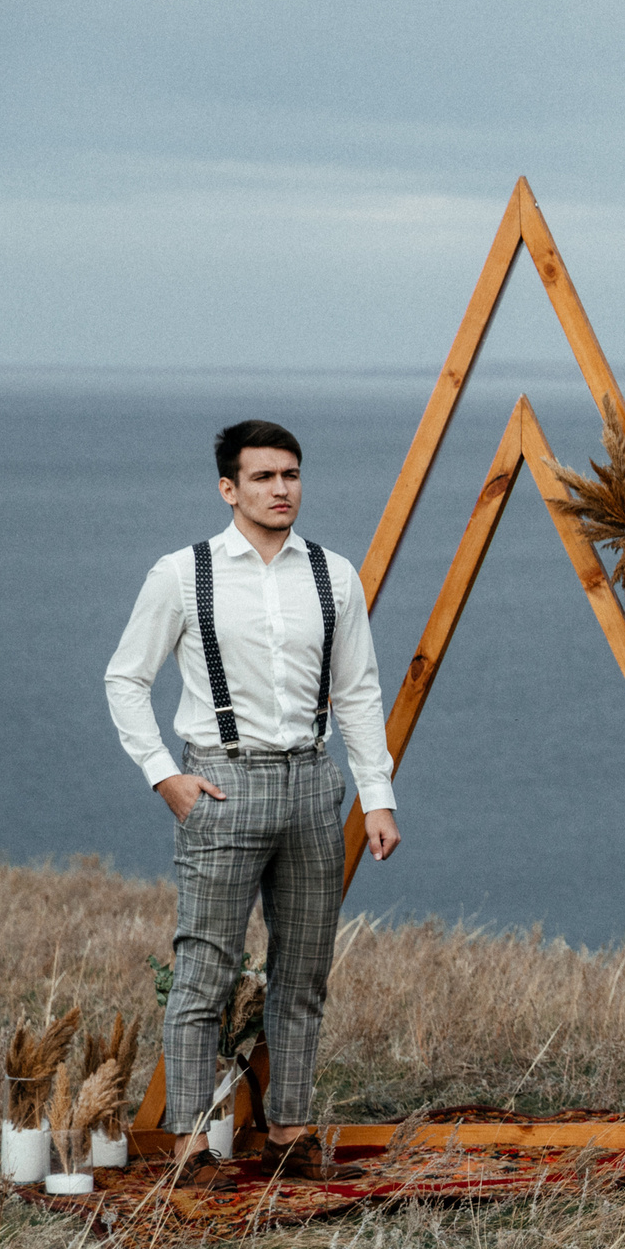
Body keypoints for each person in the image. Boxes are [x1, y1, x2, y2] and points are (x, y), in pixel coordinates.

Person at [103, 420, 401, 1183]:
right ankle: (190, 1147)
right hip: (221, 782)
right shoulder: (183, 573)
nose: (281, 489)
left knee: (303, 974)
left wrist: (377, 798)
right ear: (229, 488)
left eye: (291, 475)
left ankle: (290, 1135)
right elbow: (125, 679)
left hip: (311, 783)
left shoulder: (334, 575)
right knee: (203, 973)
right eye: (264, 477)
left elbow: (359, 692)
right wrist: (163, 774)